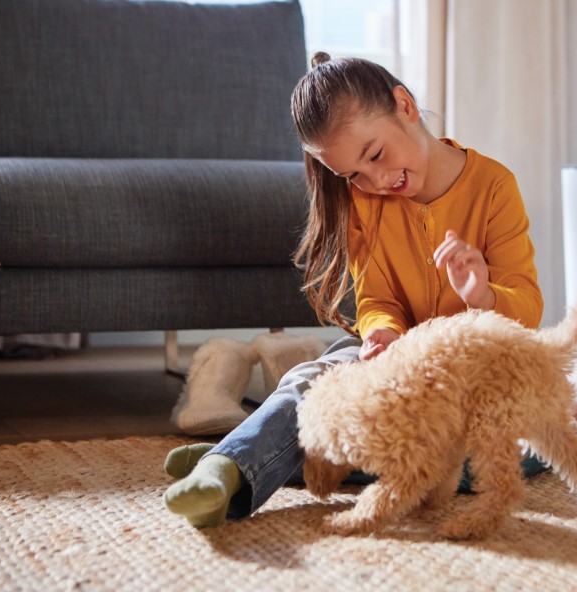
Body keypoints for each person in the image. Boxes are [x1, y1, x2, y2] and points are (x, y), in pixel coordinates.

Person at [163, 52, 544, 527]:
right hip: (397, 369)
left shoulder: (493, 187)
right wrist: (381, 334)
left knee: (500, 459)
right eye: (355, 175)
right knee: (314, 379)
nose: (377, 181)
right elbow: (376, 301)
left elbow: (526, 312)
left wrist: (482, 295)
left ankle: (257, 456)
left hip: (475, 376)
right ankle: (227, 468)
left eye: (376, 155)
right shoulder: (367, 200)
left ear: (404, 105)